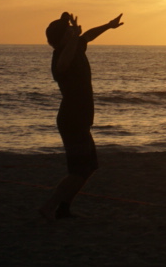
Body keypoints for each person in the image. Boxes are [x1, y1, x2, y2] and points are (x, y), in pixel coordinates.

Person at [40, 11, 123, 220]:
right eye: (69, 32)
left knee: (89, 167)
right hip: (71, 119)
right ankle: (49, 207)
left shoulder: (75, 48)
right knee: (78, 171)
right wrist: (72, 39)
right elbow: (63, 65)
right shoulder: (60, 56)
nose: (75, 33)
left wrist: (108, 25)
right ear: (63, 37)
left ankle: (64, 208)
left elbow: (88, 35)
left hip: (82, 119)